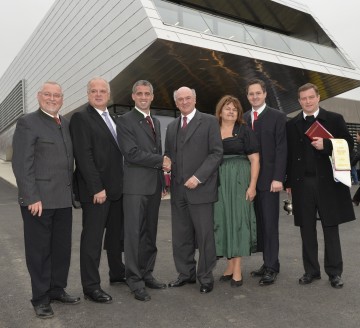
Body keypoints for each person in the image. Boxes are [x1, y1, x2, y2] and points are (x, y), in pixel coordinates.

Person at [12, 81, 80, 319]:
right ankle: (40, 298)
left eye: (57, 95)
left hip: (62, 199)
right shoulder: (28, 123)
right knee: (39, 252)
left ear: (62, 99)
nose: (52, 98)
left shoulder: (66, 124)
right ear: (39, 96)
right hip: (38, 201)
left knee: (61, 249)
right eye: (48, 94)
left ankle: (56, 289)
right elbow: (22, 163)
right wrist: (31, 196)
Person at [286, 82, 356, 288]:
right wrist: (288, 182)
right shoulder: (292, 124)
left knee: (330, 228)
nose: (307, 101)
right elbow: (289, 156)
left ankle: (334, 272)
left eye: (311, 97)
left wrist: (327, 145)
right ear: (299, 101)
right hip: (302, 184)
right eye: (303, 98)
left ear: (318, 98)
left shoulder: (334, 119)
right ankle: (311, 271)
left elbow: (349, 148)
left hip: (328, 184)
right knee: (306, 229)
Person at [69, 77, 125, 303]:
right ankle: (91, 286)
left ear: (109, 94)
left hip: (117, 190)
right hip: (97, 193)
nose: (99, 94)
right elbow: (84, 157)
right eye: (94, 91)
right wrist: (97, 187)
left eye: (103, 91)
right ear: (88, 94)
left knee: (114, 237)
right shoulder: (81, 118)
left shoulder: (113, 118)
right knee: (92, 240)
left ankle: (117, 273)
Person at [165, 86, 223, 294]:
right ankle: (185, 274)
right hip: (178, 191)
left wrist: (198, 177)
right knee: (181, 236)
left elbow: (216, 153)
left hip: (201, 189)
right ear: (176, 102)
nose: (184, 101)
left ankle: (205, 277)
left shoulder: (208, 121)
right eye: (180, 99)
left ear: (195, 100)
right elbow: (169, 156)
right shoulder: (171, 127)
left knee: (205, 235)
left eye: (187, 98)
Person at [117, 80, 169, 302]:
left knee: (149, 233)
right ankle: (134, 280)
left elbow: (154, 150)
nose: (143, 97)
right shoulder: (125, 121)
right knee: (134, 235)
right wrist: (162, 160)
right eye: (139, 93)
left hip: (153, 187)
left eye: (147, 93)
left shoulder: (155, 121)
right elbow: (132, 153)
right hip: (135, 188)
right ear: (133, 96)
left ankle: (147, 273)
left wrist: (163, 183)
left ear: (153, 96)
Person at [243, 78, 287, 286]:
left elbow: (281, 149)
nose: (254, 96)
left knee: (270, 225)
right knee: (258, 224)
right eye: (251, 94)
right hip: (248, 181)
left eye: (258, 93)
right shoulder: (243, 118)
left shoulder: (277, 117)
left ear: (265, 94)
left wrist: (279, 177)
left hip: (270, 181)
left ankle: (272, 266)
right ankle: (266, 262)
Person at [214, 95, 260, 287]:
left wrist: (252, 186)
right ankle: (230, 266)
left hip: (240, 179)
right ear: (220, 111)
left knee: (239, 221)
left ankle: (238, 268)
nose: (231, 111)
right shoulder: (212, 129)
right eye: (227, 108)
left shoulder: (244, 130)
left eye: (234, 108)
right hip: (218, 180)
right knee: (223, 221)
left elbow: (255, 160)